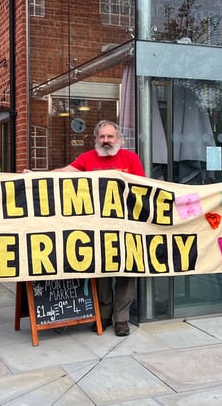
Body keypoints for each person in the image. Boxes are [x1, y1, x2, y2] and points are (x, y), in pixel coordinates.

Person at [30, 120, 145, 337]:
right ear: (96, 139)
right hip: (98, 229)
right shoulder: (88, 158)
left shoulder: (131, 159)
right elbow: (64, 172)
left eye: (110, 137)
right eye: (102, 137)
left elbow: (144, 189)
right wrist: (36, 176)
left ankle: (122, 319)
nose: (106, 141)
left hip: (127, 227)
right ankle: (103, 315)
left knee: (126, 272)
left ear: (119, 139)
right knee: (100, 270)